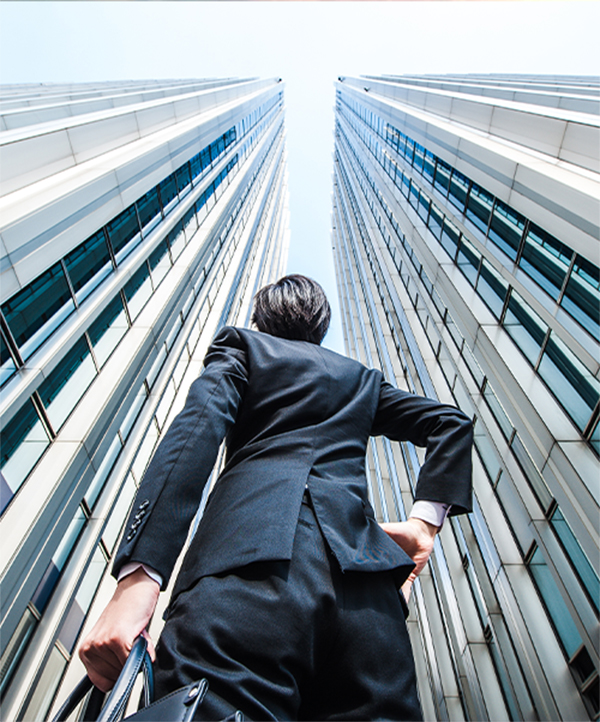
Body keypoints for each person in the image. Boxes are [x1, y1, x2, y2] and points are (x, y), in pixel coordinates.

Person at [79, 274, 473, 720]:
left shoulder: (245, 347)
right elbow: (450, 423)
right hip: (369, 598)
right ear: (320, 325)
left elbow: (195, 433)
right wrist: (424, 524)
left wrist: (138, 578)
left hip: (250, 571)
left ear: (261, 318)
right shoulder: (362, 380)